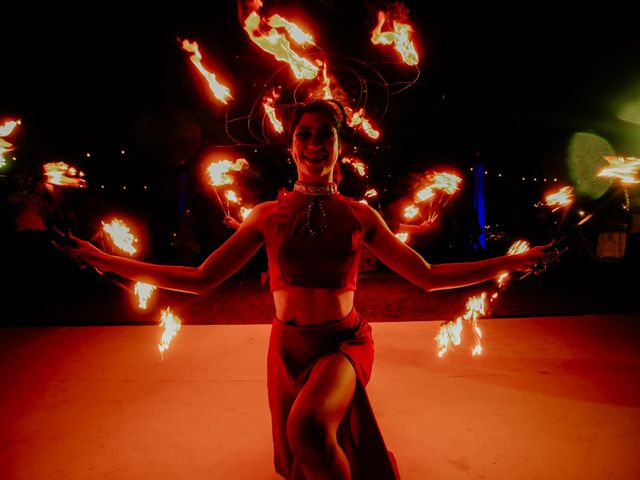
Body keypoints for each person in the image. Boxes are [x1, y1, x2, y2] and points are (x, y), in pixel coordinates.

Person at [67, 99, 551, 479]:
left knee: (310, 429)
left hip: (343, 344)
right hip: (287, 349)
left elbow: (427, 276)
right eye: (305, 134)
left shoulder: (361, 215)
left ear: (341, 146)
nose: (314, 143)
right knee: (310, 453)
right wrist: (107, 260)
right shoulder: (265, 216)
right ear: (291, 146)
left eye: (325, 135)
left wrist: (513, 260)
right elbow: (200, 280)